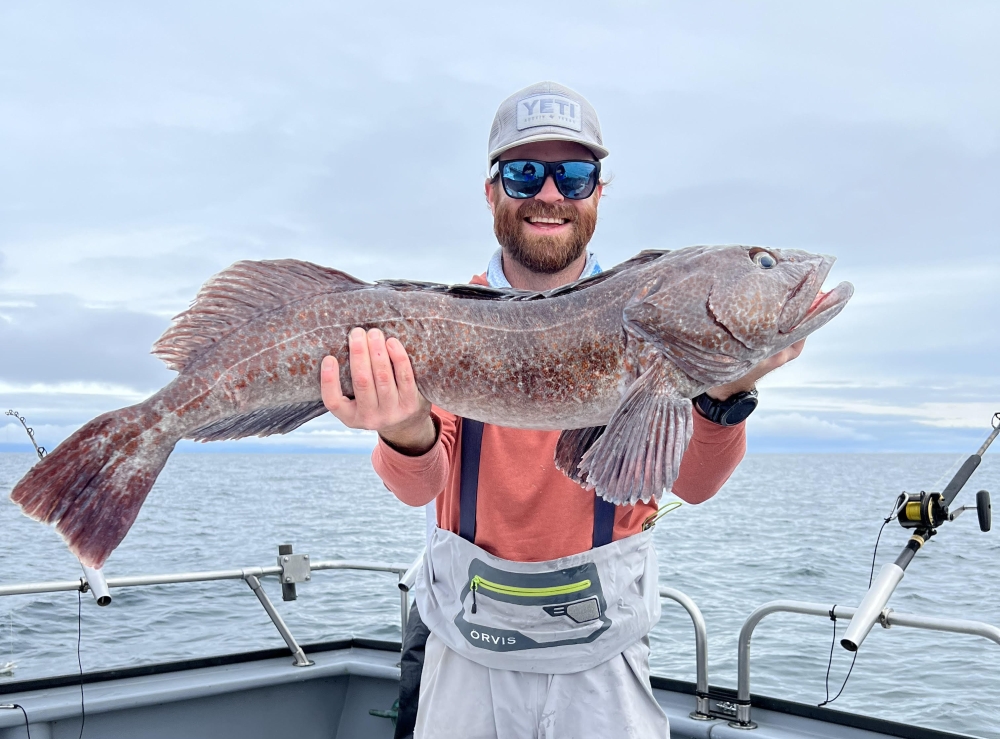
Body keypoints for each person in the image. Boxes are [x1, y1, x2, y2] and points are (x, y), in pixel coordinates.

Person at [320, 81, 804, 739]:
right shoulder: (446, 322)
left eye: (573, 176)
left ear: (599, 193)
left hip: (602, 663)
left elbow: (693, 483)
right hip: (465, 652)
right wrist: (404, 427)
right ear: (492, 192)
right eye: (525, 173)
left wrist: (722, 394)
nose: (550, 194)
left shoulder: (654, 318)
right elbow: (420, 485)